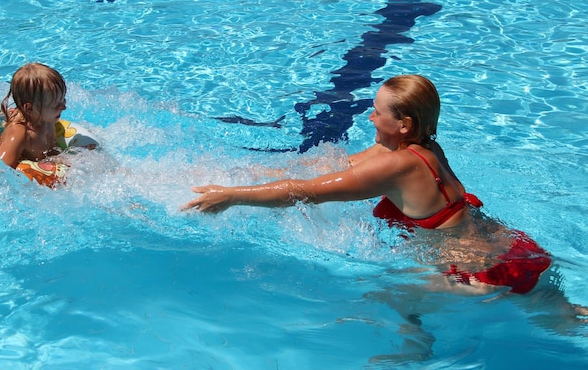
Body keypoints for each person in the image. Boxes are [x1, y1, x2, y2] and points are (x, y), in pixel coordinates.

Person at [183, 74, 555, 296]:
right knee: (567, 315)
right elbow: (338, 164)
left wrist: (233, 196)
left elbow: (306, 191)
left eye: (378, 111)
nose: (370, 115)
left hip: (479, 273)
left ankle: (414, 350)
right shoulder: (424, 146)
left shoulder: (396, 166)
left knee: (383, 295)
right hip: (510, 246)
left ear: (404, 124)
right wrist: (252, 169)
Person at [0, 62, 68, 168]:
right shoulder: (19, 133)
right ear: (29, 108)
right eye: (56, 104)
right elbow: (0, 168)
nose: (64, 107)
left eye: (63, 99)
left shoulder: (45, 119)